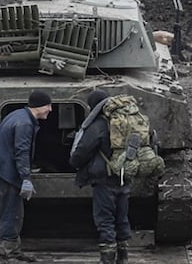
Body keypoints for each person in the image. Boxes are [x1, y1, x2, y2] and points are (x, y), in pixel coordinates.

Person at [0, 89, 53, 262]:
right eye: (48, 106)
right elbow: (21, 152)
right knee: (11, 212)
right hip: (6, 173)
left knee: (12, 211)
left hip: (0, 169)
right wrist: (26, 179)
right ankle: (8, 251)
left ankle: (11, 249)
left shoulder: (18, 115)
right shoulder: (25, 124)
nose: (50, 110)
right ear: (39, 106)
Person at [70, 89, 132, 264]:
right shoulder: (125, 120)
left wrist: (74, 162)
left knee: (105, 219)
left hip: (104, 178)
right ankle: (123, 257)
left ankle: (107, 259)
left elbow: (83, 151)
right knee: (122, 217)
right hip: (124, 175)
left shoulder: (98, 125)